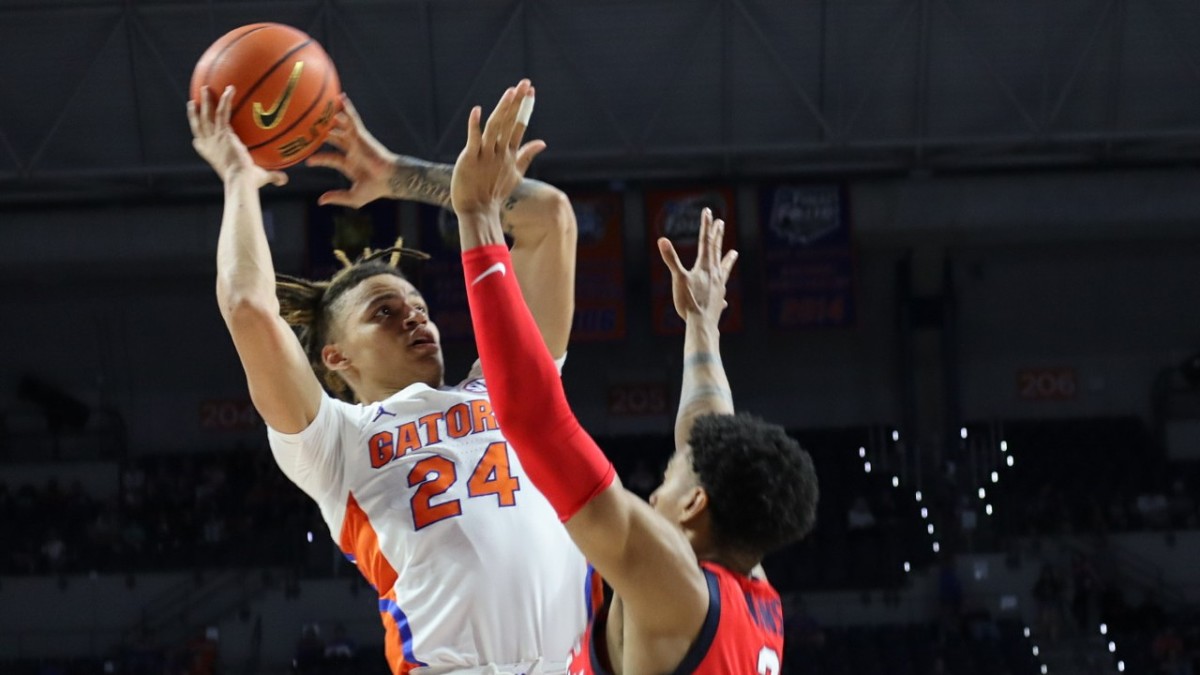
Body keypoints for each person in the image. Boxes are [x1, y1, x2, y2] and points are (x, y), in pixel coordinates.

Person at [188, 84, 593, 674]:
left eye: (418, 306)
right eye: (383, 312)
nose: (413, 316)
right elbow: (248, 306)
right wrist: (238, 180)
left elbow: (550, 220)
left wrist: (397, 174)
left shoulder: (509, 389)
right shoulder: (335, 443)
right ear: (335, 359)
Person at [450, 79, 819, 674]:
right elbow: (707, 430)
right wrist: (701, 327)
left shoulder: (673, 583)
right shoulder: (754, 590)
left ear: (697, 504)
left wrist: (478, 221)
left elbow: (532, 421)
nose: (653, 493)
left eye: (670, 480)